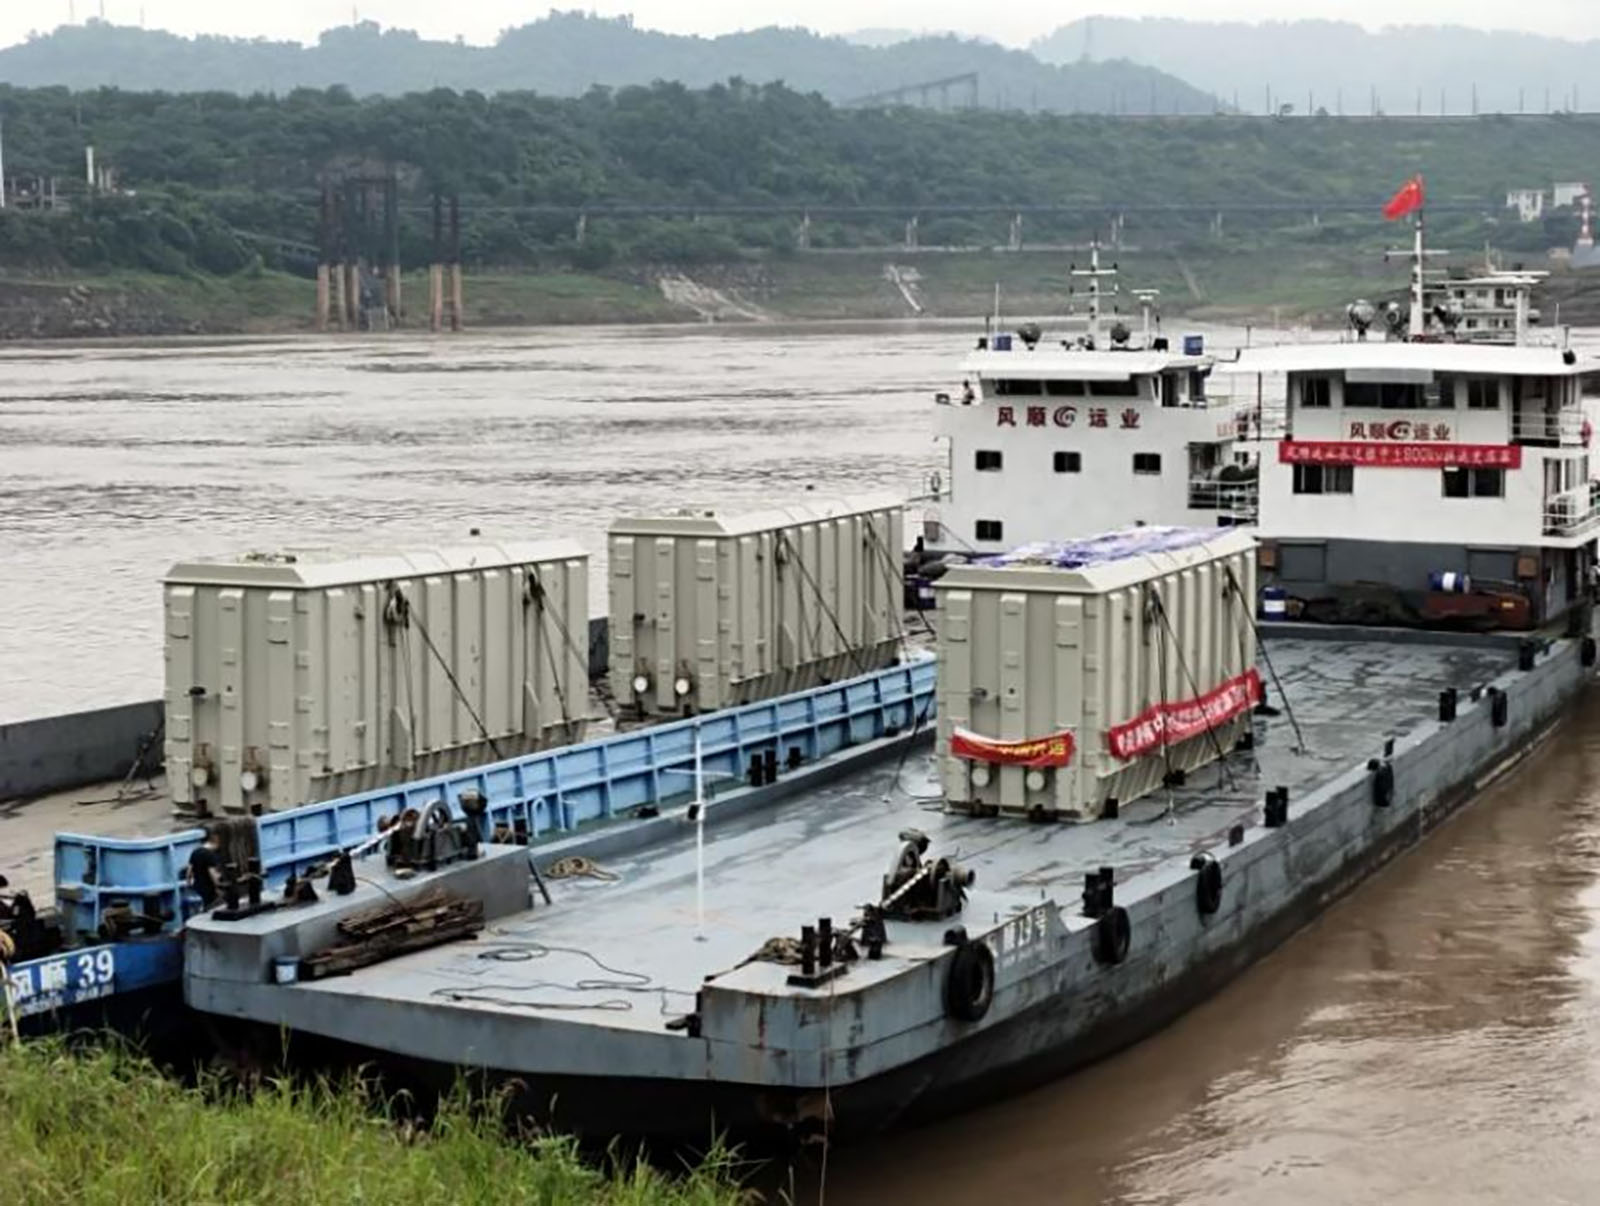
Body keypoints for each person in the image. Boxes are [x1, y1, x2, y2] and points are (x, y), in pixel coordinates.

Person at [186, 826, 223, 908]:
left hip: (197, 887)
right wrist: (219, 887)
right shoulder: (210, 855)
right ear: (215, 841)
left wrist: (188, 883)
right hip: (209, 889)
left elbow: (189, 871)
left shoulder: (195, 852)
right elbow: (212, 874)